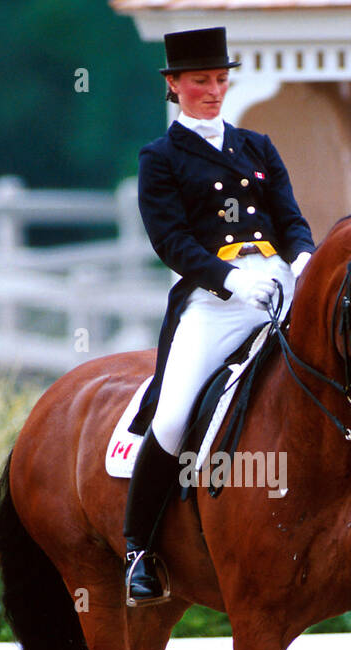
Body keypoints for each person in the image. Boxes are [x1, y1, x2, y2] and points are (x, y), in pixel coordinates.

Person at [123, 25, 314, 606]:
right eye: (201, 80)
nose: (212, 90)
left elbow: (292, 220)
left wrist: (301, 262)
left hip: (279, 288)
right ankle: (139, 551)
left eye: (220, 80)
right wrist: (231, 280)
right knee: (175, 415)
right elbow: (170, 240)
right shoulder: (161, 158)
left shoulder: (257, 146)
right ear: (175, 85)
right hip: (214, 299)